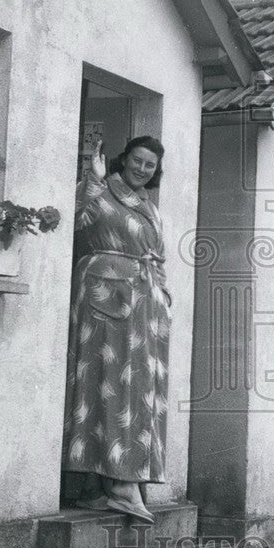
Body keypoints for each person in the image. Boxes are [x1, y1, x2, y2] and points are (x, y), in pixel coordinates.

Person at [62, 137, 172, 523]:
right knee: (108, 381)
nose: (142, 169)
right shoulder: (100, 190)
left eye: (150, 165)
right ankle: (122, 484)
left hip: (145, 302)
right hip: (104, 295)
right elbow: (73, 221)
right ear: (123, 159)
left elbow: (157, 256)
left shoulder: (149, 207)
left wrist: (164, 295)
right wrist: (91, 180)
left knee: (137, 385)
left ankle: (99, 487)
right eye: (137, 161)